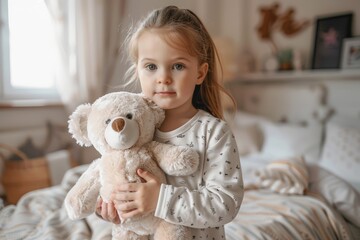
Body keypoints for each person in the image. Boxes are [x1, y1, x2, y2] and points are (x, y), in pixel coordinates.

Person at [96, 5, 244, 239]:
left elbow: (226, 204)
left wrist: (159, 199)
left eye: (177, 66)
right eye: (151, 67)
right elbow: (118, 176)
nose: (163, 78)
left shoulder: (213, 132)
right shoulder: (132, 130)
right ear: (138, 71)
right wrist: (116, 209)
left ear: (200, 73)